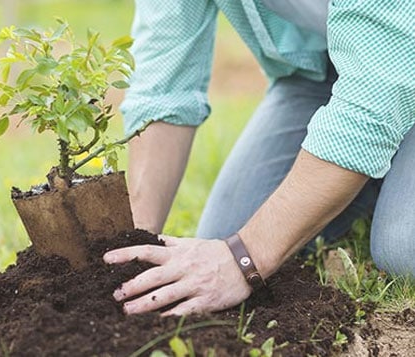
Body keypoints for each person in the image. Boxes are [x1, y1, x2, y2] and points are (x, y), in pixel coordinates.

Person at [102, 1, 415, 316]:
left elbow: (377, 96)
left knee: (403, 248)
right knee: (225, 236)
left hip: (396, 59)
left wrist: (243, 260)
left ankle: (374, 168)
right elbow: (163, 83)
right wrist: (133, 245)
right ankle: (370, 174)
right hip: (324, 71)